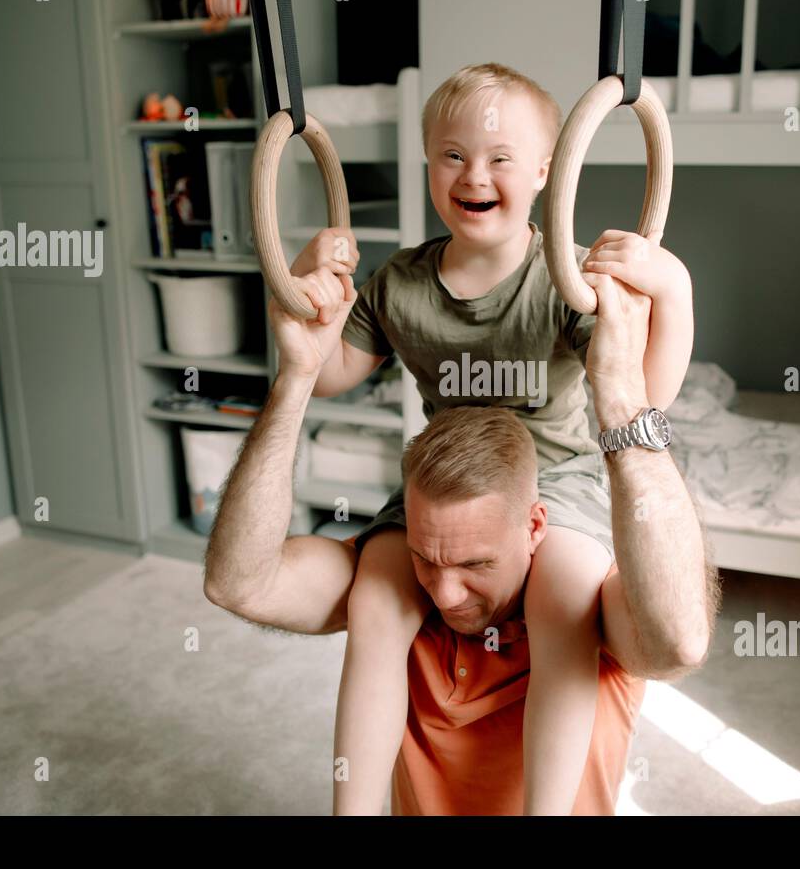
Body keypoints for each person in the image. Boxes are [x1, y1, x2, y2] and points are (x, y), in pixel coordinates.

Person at [281, 63, 696, 814]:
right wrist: (316, 304)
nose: (475, 173)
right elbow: (336, 371)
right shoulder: (401, 283)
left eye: (501, 158)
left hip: (556, 474)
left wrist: (674, 289)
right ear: (430, 164)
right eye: (453, 154)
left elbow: (647, 393)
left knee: (564, 599)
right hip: (447, 482)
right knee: (376, 602)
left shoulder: (562, 281)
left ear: (544, 173)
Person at [203, 240, 719, 815]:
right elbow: (237, 582)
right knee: (379, 592)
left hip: (570, 472)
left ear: (534, 528)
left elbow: (680, 641)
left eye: (475, 564)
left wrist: (631, 379)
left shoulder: (591, 601)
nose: (444, 594)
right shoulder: (395, 578)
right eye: (428, 557)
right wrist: (295, 375)